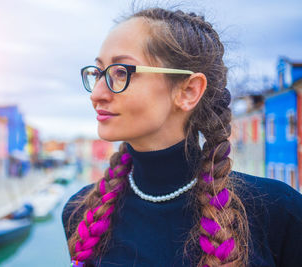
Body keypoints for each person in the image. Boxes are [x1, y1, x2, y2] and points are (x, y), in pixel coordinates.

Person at [61, 6, 302, 267]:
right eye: (98, 73)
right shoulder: (80, 213)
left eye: (121, 72)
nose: (96, 93)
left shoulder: (278, 210)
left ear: (188, 91)